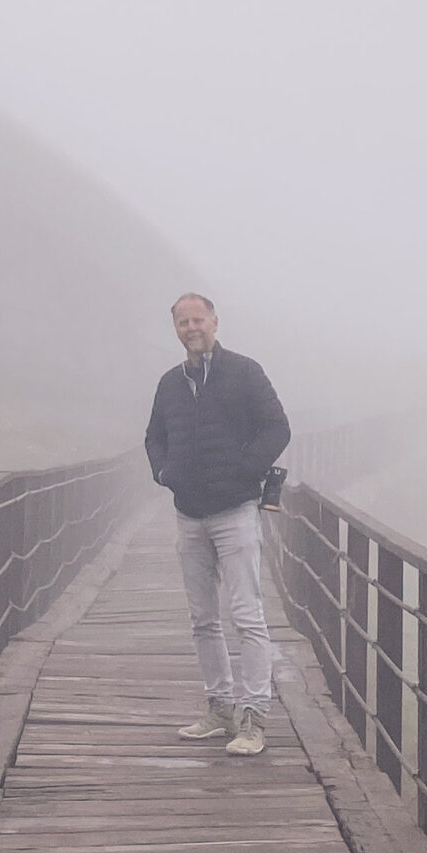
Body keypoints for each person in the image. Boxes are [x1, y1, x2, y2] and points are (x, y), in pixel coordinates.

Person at [142, 293, 290, 756]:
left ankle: (253, 718)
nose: (191, 327)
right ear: (176, 328)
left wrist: (244, 470)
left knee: (247, 617)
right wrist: (164, 473)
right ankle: (219, 708)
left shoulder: (244, 372)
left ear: (215, 322)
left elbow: (277, 428)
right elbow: (153, 437)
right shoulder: (170, 383)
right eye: (183, 321)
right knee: (203, 619)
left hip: (235, 513)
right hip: (189, 515)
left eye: (198, 319)